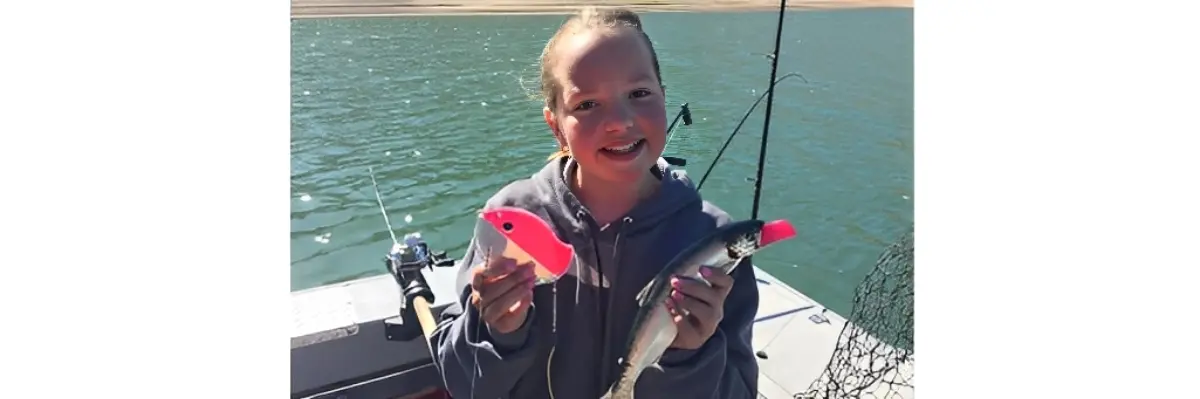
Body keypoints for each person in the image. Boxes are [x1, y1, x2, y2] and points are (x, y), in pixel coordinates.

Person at [429, 7, 759, 398]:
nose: (620, 121)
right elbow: (463, 383)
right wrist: (496, 333)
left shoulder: (713, 240)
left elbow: (739, 391)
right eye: (587, 105)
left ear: (664, 99)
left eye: (639, 94)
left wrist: (691, 357)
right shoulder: (513, 219)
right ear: (556, 126)